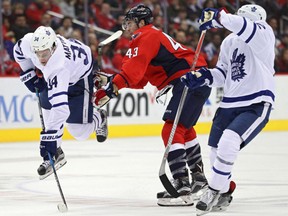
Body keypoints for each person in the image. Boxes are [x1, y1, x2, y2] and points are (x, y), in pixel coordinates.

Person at [94, 4, 211, 206]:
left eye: (130, 22)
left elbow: (132, 74)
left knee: (170, 131)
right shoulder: (151, 37)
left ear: (141, 22)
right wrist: (111, 81)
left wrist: (112, 89)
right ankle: (199, 180)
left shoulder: (144, 36)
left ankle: (181, 187)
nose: (127, 27)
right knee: (184, 130)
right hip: (197, 79)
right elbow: (139, 80)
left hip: (187, 80)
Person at [181, 4, 275, 215]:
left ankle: (213, 190)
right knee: (215, 150)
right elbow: (224, 73)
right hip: (229, 103)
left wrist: (220, 17)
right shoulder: (229, 41)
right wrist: (203, 77)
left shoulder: (264, 33)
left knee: (229, 142)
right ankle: (224, 190)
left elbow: (243, 26)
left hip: (256, 101)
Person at [13, 26, 108, 180]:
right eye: (38, 54)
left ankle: (100, 117)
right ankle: (56, 154)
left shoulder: (58, 66)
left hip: (78, 78)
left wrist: (49, 139)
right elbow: (18, 52)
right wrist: (29, 73)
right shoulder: (30, 43)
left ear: (53, 47)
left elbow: (61, 109)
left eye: (45, 54)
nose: (41, 58)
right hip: (64, 68)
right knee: (48, 109)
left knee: (80, 133)